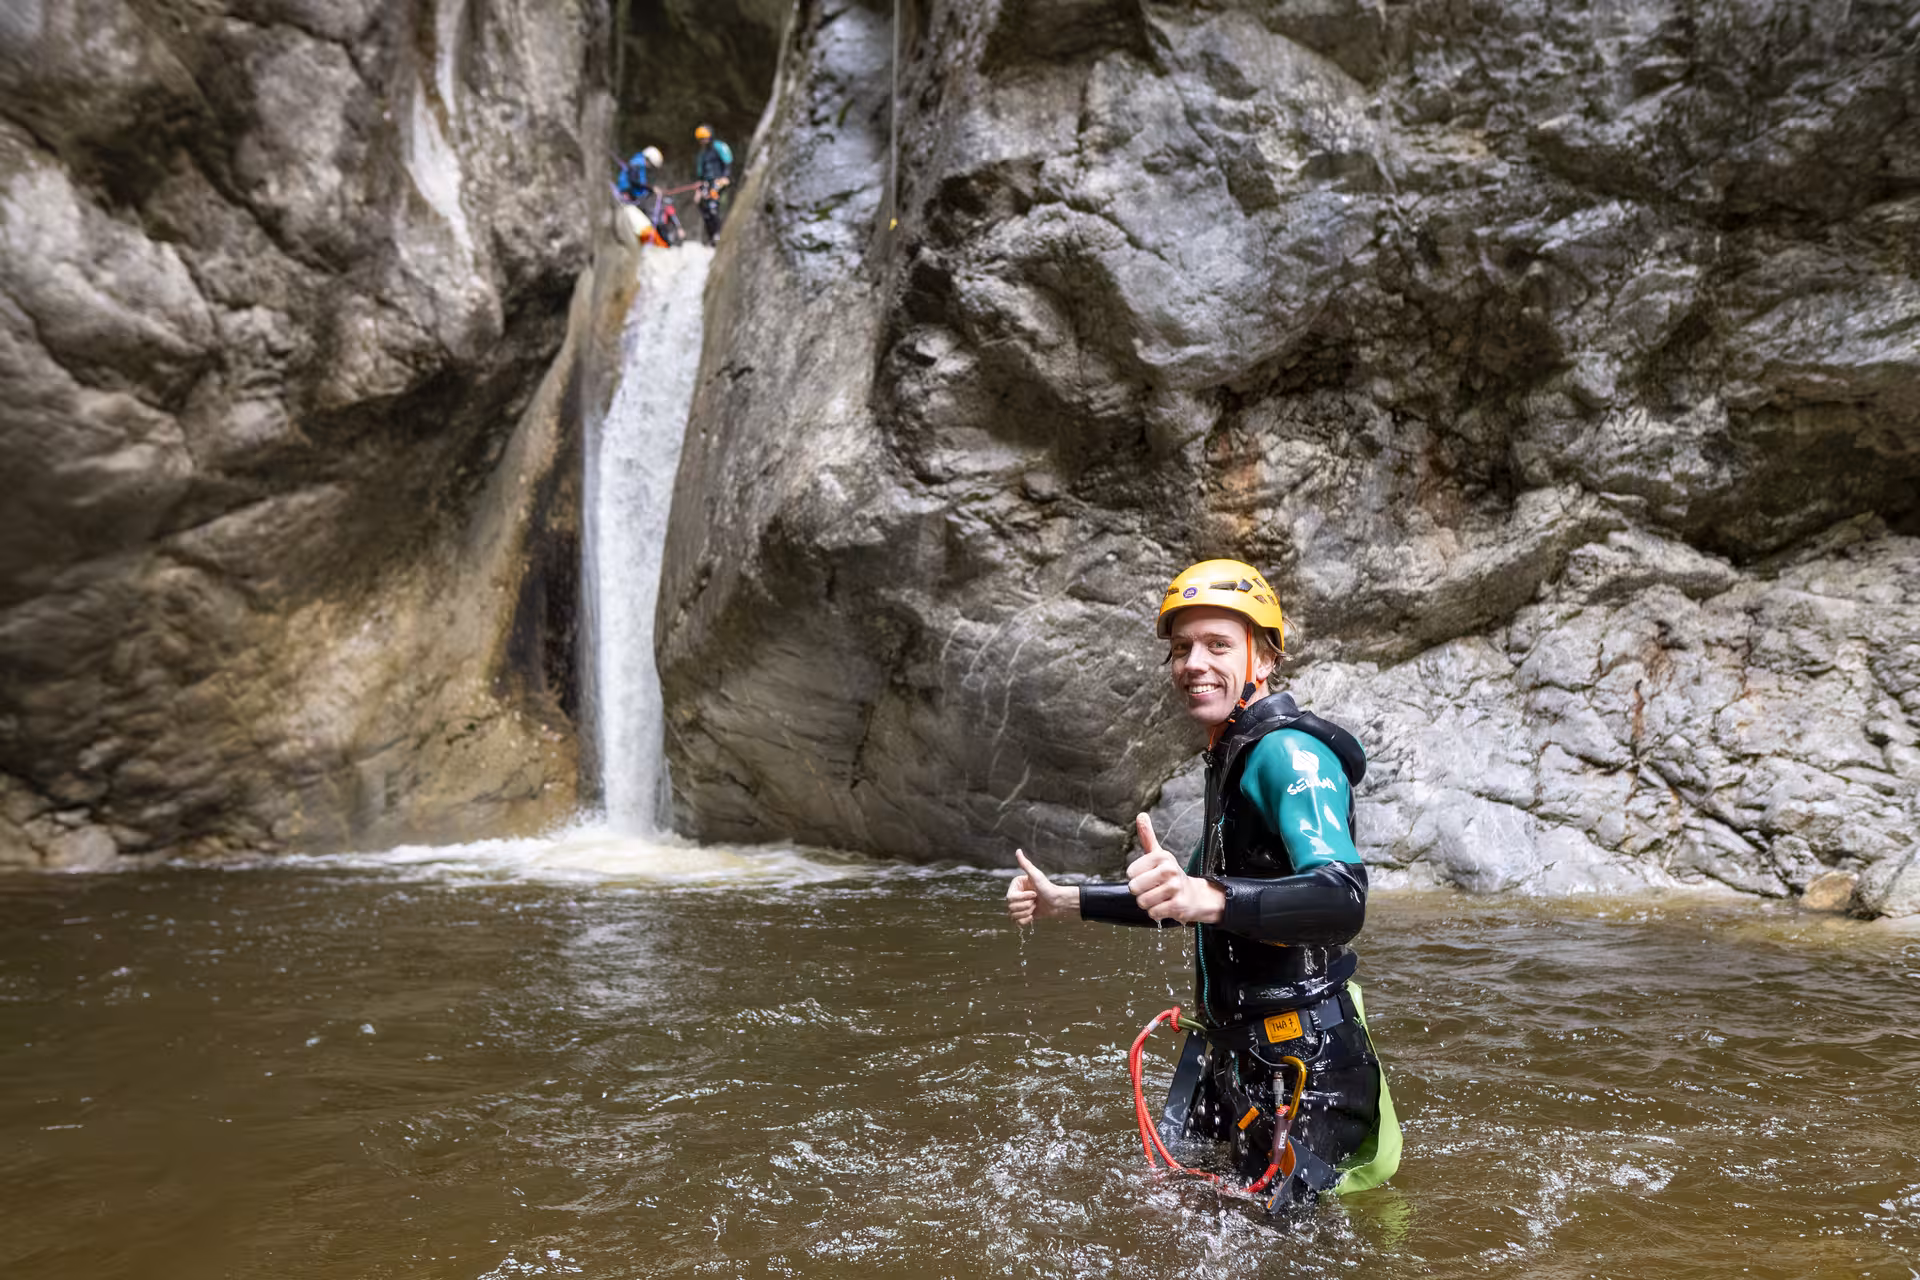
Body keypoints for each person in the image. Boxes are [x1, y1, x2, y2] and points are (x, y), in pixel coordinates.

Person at [1006, 559, 1400, 1210]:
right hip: (1240, 1058)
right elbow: (1180, 894)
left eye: (1218, 645)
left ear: (1264, 658)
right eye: (1182, 648)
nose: (1194, 663)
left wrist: (1209, 899)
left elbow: (1341, 895)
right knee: (1181, 1218)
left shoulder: (1290, 755)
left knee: (1282, 1255)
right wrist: (1064, 901)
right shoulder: (1232, 757)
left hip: (1307, 1070)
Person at [692, 125, 733, 245]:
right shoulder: (702, 154)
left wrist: (725, 177)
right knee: (704, 208)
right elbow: (700, 174)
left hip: (719, 182)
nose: (703, 141)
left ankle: (717, 234)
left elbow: (728, 162)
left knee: (713, 206)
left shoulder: (719, 147)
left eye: (704, 138)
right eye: (700, 139)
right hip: (707, 183)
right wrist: (699, 190)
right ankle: (711, 236)